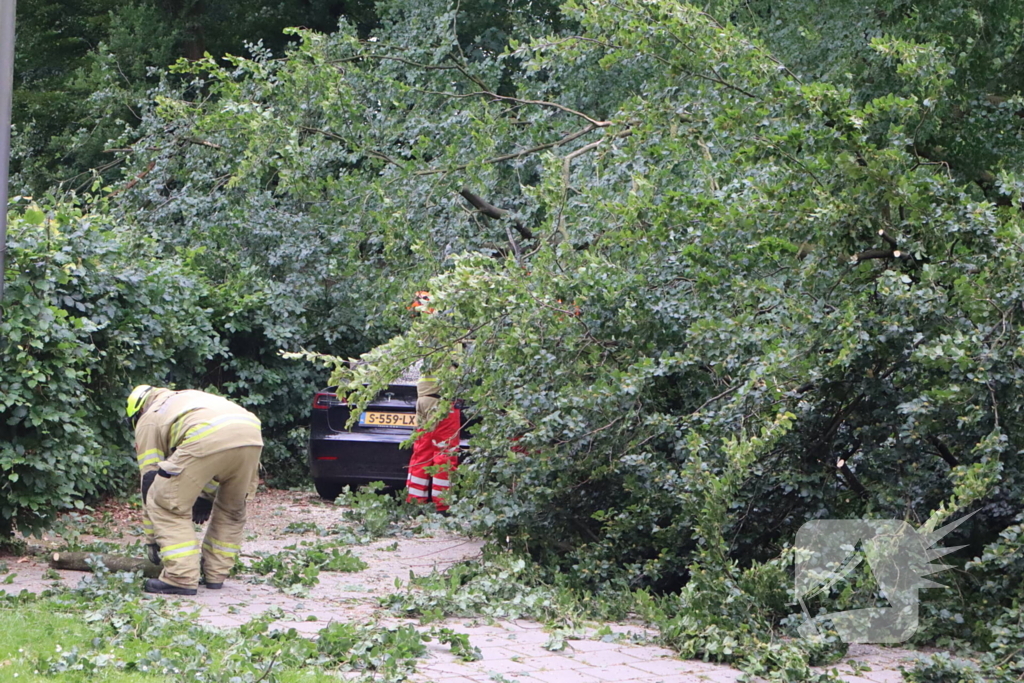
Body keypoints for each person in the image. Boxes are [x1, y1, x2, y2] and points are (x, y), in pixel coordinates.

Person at [126, 385, 263, 595]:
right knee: (231, 510)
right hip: (251, 434)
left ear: (137, 412)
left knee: (165, 503)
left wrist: (152, 540)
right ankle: (215, 575)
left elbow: (150, 480)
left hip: (208, 435)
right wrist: (206, 497)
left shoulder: (149, 417)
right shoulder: (184, 399)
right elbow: (216, 466)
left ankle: (180, 577)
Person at [405, 291, 461, 513]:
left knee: (422, 452)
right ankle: (442, 506)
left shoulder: (423, 338)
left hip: (424, 400)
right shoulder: (447, 337)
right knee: (445, 455)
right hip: (442, 402)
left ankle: (413, 503)